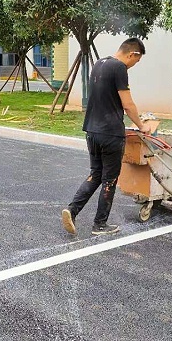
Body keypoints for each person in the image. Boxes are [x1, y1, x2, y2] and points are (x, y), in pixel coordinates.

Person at [61, 38, 152, 236]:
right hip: (110, 134)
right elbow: (128, 104)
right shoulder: (119, 68)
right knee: (109, 180)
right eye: (136, 61)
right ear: (132, 54)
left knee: (96, 174)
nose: (133, 65)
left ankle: (72, 210)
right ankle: (100, 225)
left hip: (92, 131)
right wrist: (142, 126)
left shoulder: (99, 64)